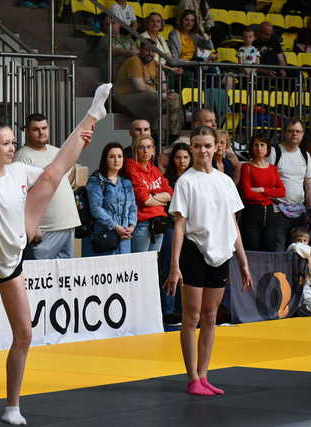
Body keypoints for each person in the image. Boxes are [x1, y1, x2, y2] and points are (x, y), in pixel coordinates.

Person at [0, 84, 109, 425]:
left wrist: (79, 141)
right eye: (5, 143)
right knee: (26, 334)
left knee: (53, 172)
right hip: (2, 260)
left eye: (12, 142)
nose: (12, 147)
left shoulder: (17, 170)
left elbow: (56, 172)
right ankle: (11, 406)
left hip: (19, 232)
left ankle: (93, 114)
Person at [164, 126, 253, 396]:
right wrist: (174, 265)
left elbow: (232, 224)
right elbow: (180, 225)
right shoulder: (186, 182)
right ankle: (192, 377)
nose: (203, 150)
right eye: (198, 145)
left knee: (211, 317)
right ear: (191, 148)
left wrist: (243, 262)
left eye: (208, 145)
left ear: (217, 148)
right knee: (191, 317)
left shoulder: (225, 182)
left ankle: (204, 375)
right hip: (195, 250)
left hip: (221, 253)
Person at [15, 113, 81, 260]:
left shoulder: (57, 151)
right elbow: (20, 196)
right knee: (41, 274)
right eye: (36, 129)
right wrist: (32, 225)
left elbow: (68, 177)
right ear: (27, 131)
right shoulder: (22, 157)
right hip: (46, 227)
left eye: (44, 128)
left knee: (65, 276)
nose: (41, 132)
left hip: (68, 223)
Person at [115, 39, 182, 138]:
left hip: (146, 99)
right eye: (147, 50)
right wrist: (162, 95)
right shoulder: (134, 61)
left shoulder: (153, 62)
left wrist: (165, 73)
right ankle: (154, 133)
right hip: (124, 99)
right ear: (140, 49)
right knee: (153, 97)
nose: (150, 53)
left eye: (153, 51)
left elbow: (163, 87)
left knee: (174, 97)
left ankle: (173, 134)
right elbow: (140, 87)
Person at [268, 119, 311, 251]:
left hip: (300, 211)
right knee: (279, 249)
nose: (294, 134)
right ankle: (279, 272)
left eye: (298, 131)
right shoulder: (274, 152)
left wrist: (309, 210)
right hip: (278, 210)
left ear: (303, 134)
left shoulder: (305, 156)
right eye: (290, 131)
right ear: (284, 132)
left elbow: (308, 183)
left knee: (300, 250)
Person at [159, 142, 192, 324]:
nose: (182, 161)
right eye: (178, 157)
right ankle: (168, 309)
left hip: (192, 229)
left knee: (188, 269)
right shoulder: (167, 179)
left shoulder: (196, 178)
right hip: (172, 227)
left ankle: (184, 308)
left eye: (186, 157)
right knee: (170, 267)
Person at [86, 142, 137, 255]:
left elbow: (133, 207)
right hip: (105, 236)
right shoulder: (97, 181)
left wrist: (131, 226)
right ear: (105, 159)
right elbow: (96, 209)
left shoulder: (126, 182)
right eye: (112, 156)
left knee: (124, 270)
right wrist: (115, 227)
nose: (116, 160)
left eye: (119, 156)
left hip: (125, 237)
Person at [125, 135, 173, 253]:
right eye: (141, 147)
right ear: (135, 150)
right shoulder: (131, 167)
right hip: (142, 223)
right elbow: (144, 199)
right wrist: (160, 199)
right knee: (140, 263)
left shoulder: (154, 169)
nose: (145, 150)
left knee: (153, 262)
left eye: (148, 147)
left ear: (153, 150)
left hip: (159, 222)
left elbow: (170, 193)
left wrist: (153, 197)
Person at [239, 135, 286, 252]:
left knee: (270, 249)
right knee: (253, 249)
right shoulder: (247, 167)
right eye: (256, 145)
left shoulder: (272, 168)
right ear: (251, 148)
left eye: (262, 145)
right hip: (252, 212)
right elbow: (247, 194)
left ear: (267, 148)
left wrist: (262, 190)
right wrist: (270, 194)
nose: (259, 148)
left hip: (270, 213)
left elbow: (282, 192)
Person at [140, 13, 182, 81]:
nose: (155, 23)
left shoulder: (160, 38)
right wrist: (169, 69)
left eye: (158, 21)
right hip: (151, 67)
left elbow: (169, 57)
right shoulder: (143, 37)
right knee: (170, 73)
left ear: (161, 25)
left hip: (163, 67)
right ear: (147, 23)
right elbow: (152, 61)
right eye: (152, 21)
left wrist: (179, 65)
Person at [96, 17, 138, 82]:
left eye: (113, 23)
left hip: (130, 73)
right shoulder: (104, 39)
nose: (110, 26)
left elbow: (136, 53)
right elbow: (112, 50)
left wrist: (132, 53)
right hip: (112, 76)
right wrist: (130, 52)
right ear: (104, 28)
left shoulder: (129, 40)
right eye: (107, 24)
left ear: (119, 24)